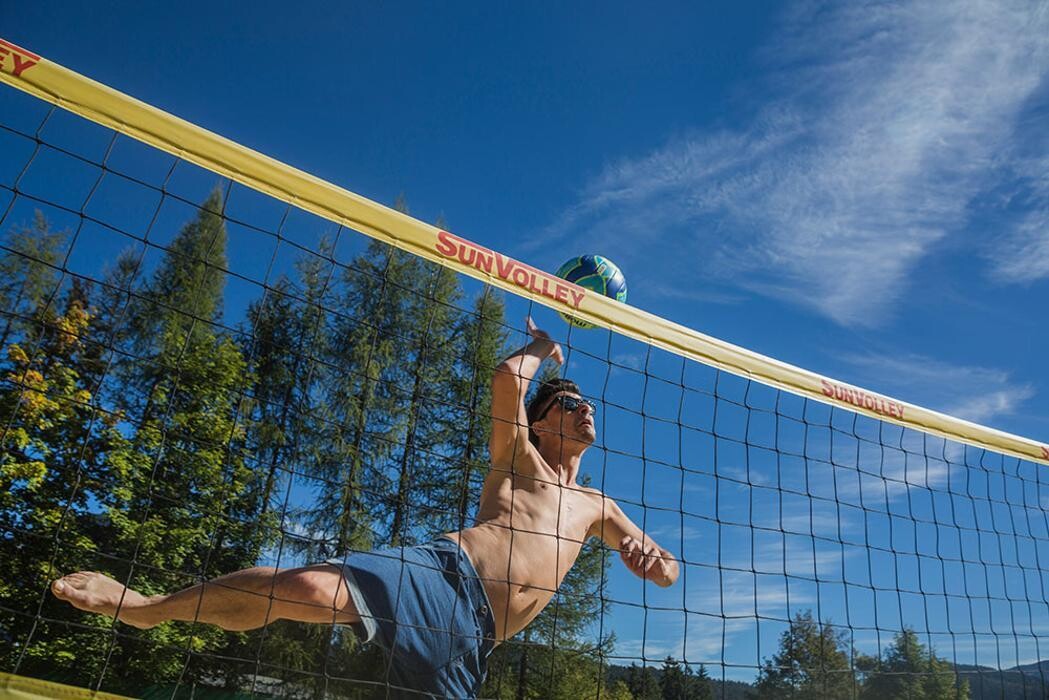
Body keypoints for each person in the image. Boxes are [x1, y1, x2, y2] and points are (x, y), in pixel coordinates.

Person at [52, 317, 680, 698]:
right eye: (568, 404)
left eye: (587, 405)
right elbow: (505, 382)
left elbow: (667, 568)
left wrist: (652, 562)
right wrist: (543, 347)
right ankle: (142, 609)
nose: (584, 409)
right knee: (304, 589)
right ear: (541, 425)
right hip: (444, 579)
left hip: (473, 642)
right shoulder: (520, 456)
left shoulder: (598, 505)